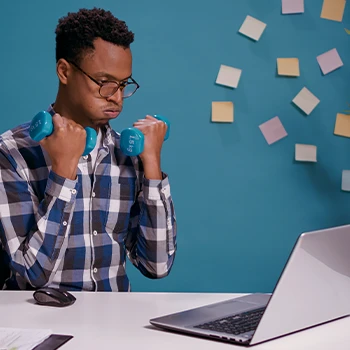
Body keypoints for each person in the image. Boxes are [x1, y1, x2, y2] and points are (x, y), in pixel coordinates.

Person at [0, 7, 177, 291]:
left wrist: (152, 167)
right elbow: (31, 275)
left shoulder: (128, 154)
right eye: (105, 83)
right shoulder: (11, 152)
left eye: (123, 84)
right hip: (41, 322)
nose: (117, 97)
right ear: (64, 71)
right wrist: (63, 172)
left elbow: (156, 266)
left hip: (114, 324)